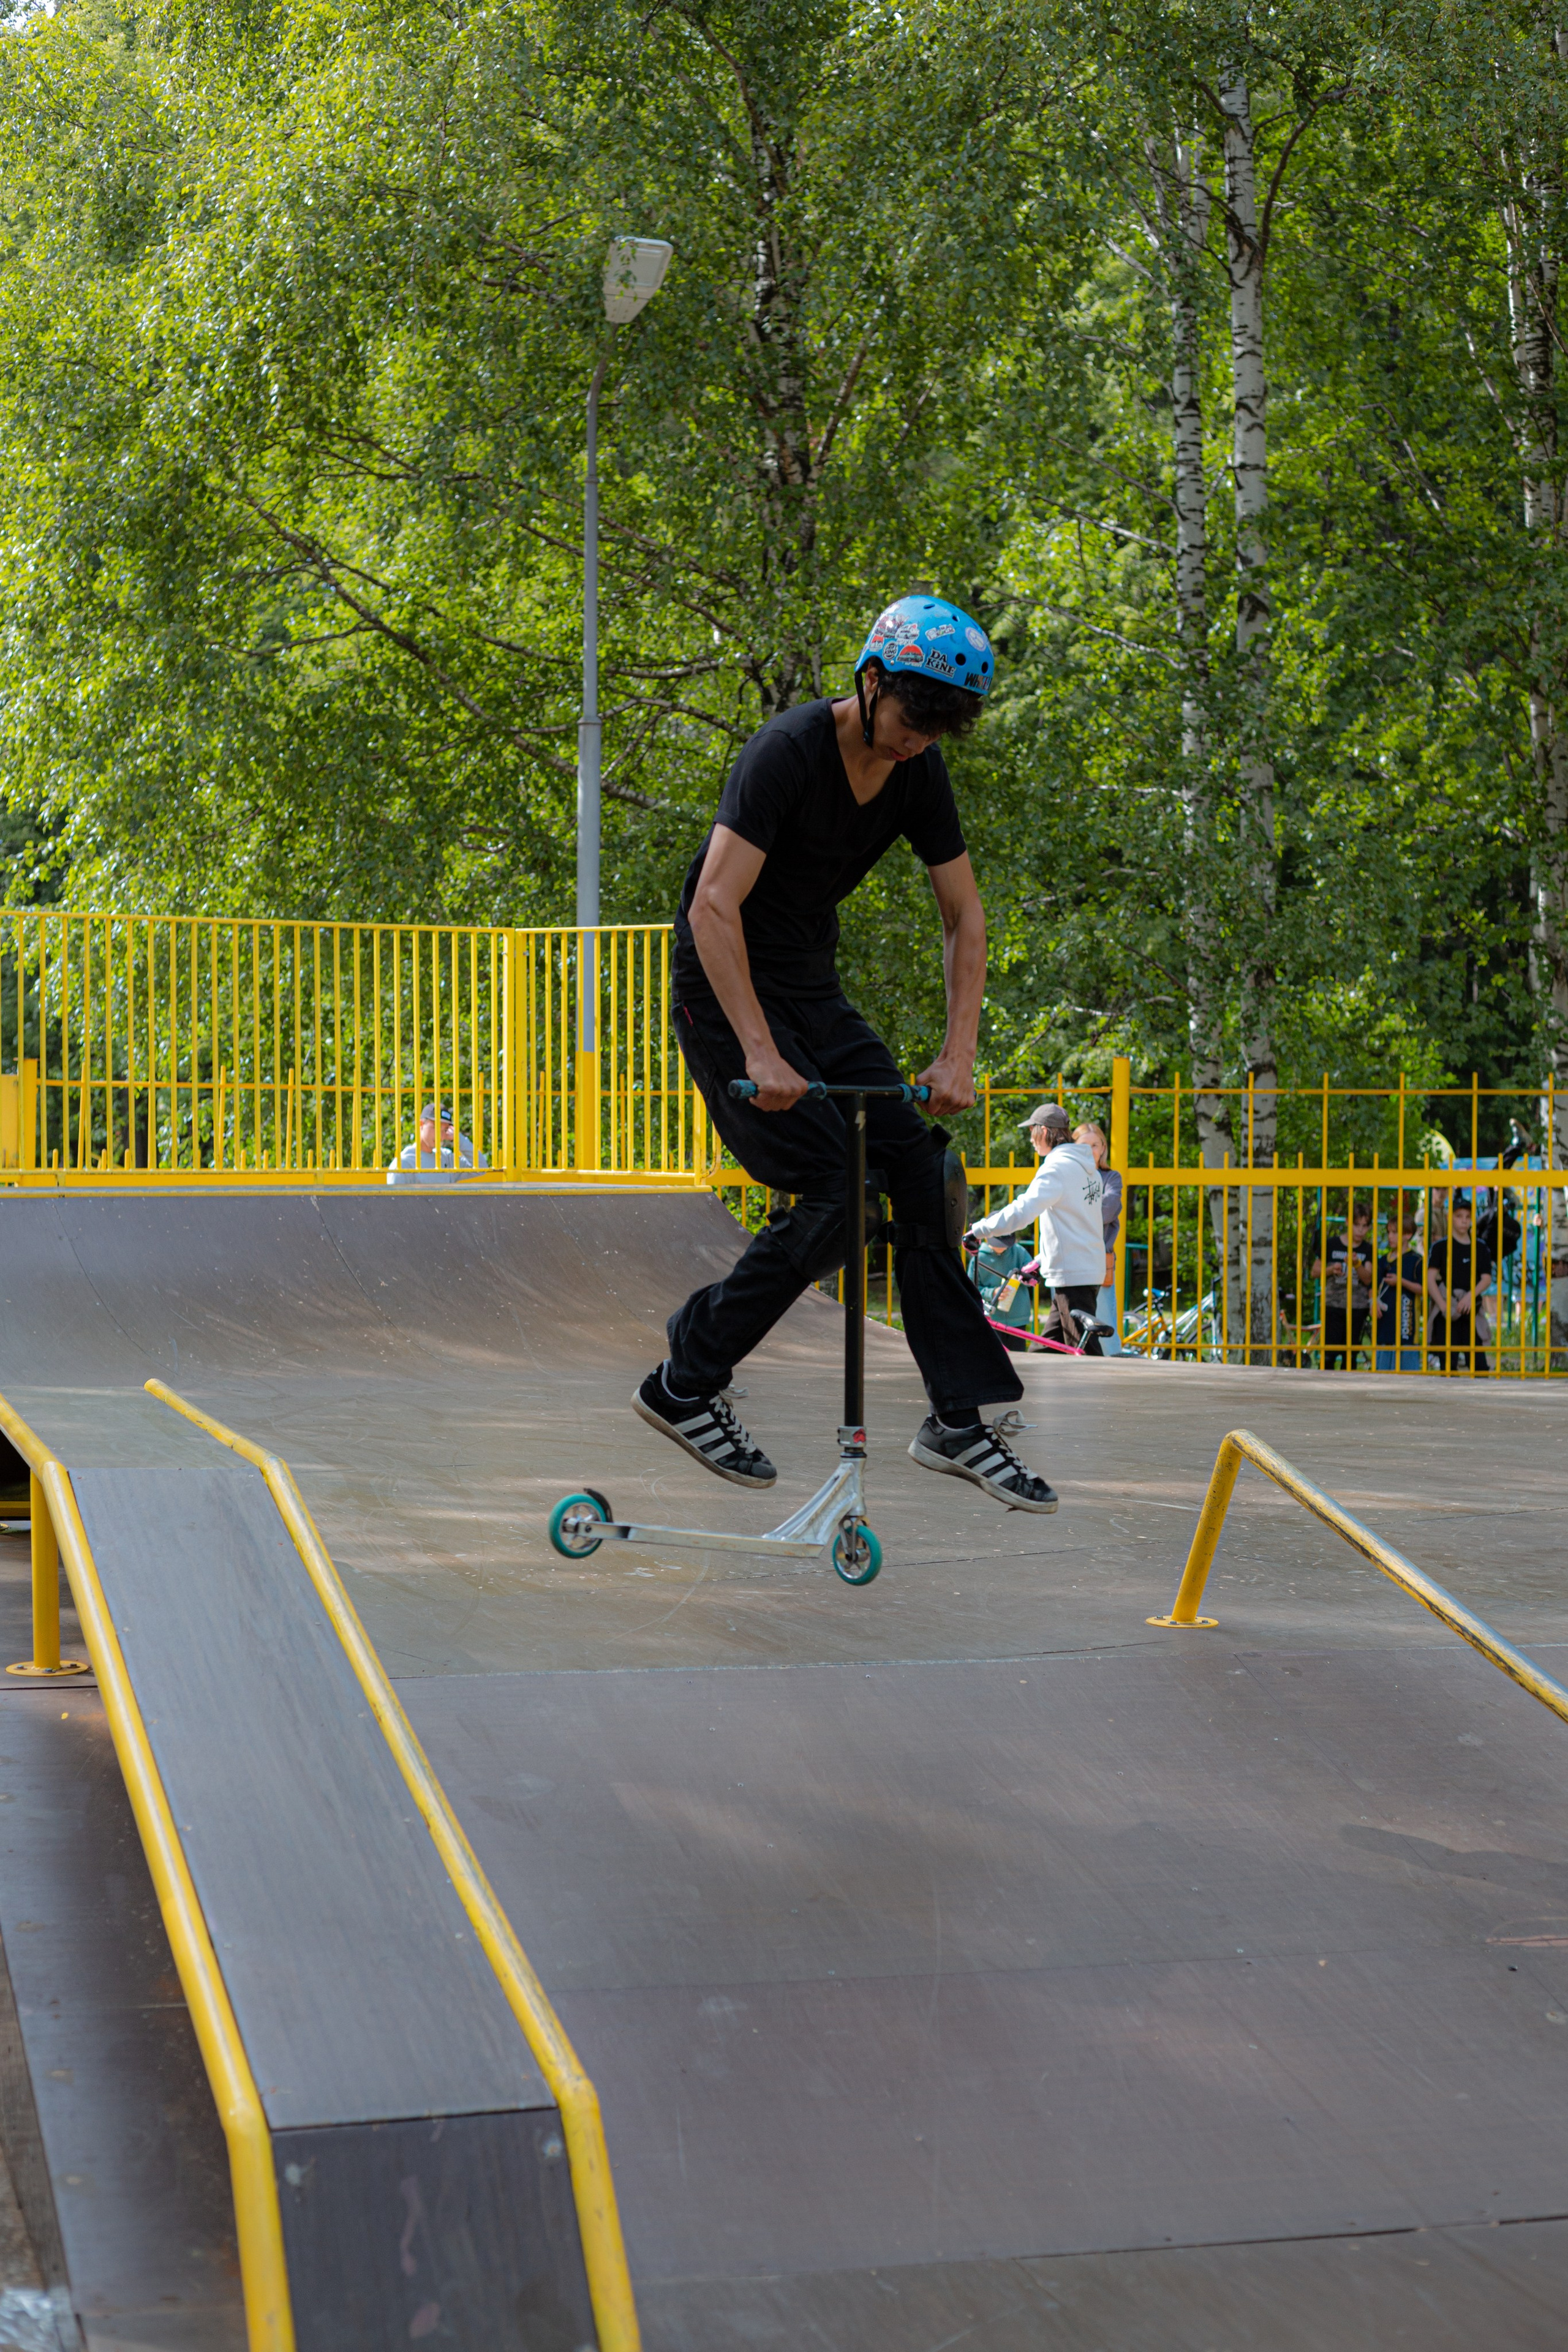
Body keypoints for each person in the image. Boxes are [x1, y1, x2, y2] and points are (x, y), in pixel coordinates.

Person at [634, 593, 1057, 1513]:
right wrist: (759, 1050)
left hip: (811, 994)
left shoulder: (918, 769)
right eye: (911, 719)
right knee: (838, 1193)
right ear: (870, 683)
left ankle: (957, 1418)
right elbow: (712, 905)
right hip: (723, 988)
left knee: (921, 1170)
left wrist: (957, 1054)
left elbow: (964, 916)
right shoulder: (785, 753)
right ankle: (684, 1382)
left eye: (938, 730)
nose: (917, 742)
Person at [966, 1102, 1108, 1355]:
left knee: (1086, 1359)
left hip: (1072, 1276)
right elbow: (1081, 1228)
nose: (1031, 1140)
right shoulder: (1090, 1173)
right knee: (1043, 1353)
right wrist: (1038, 1263)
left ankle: (1108, 1384)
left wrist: (979, 1230)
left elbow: (1022, 1212)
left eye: (1031, 1132)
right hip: (1083, 1270)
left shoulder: (1056, 1169)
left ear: (1043, 1131)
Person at [1427, 1193, 1494, 1374]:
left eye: (1467, 1217)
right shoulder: (1440, 1247)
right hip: (1447, 1312)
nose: (1464, 1221)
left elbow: (1486, 1278)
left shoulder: (1480, 1247)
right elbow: (1430, 1278)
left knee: (1480, 1367)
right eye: (1459, 1216)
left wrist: (1470, 1297)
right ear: (1449, 1217)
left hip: (1472, 1311)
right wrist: (1443, 1306)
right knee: (1448, 1367)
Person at [1076, 1120, 1123, 1354]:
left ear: (1103, 1148)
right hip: (1070, 1261)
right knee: (1071, 1325)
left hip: (1100, 1262)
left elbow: (1108, 1210)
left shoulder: (1111, 1178)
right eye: (1084, 1145)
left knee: (1105, 1326)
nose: (1090, 1150)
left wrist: (1077, 1212)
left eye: (1095, 1145)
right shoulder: (1067, 1177)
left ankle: (1112, 1372)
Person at [1311, 1199, 1373, 1370]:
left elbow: (1368, 1279)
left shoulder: (1368, 1249)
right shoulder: (1331, 1244)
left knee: (1350, 1356)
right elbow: (1315, 1271)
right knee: (1329, 1355)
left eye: (1365, 1226)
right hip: (1333, 1306)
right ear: (1347, 1222)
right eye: (1356, 1225)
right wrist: (1332, 1269)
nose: (1360, 1230)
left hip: (1357, 1308)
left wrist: (1357, 1265)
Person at [1374, 1196, 1426, 1371]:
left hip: (1407, 1329)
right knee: (1383, 1373)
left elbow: (1423, 1289)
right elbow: (1374, 1287)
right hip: (1384, 1328)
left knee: (1408, 1376)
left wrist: (1401, 1282)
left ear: (1407, 1235)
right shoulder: (1383, 1260)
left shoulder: (1416, 1260)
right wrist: (1374, 1302)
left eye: (1395, 1233)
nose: (1390, 1236)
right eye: (1389, 1232)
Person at [968, 1232, 1039, 1351]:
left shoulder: (1019, 1252)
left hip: (1018, 1319)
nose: (1002, 1246)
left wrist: (1025, 1277)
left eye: (1005, 1243)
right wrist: (992, 1293)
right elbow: (972, 1290)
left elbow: (1033, 1273)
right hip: (992, 1320)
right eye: (998, 1243)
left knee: (1019, 1357)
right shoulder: (979, 1258)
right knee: (994, 1356)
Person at [387, 1103, 488, 1185]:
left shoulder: (446, 1158)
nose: (440, 1136)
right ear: (421, 1124)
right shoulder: (403, 1164)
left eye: (445, 1130)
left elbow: (481, 1168)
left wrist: (459, 1139)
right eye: (436, 1127)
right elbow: (395, 1202)